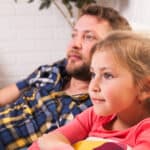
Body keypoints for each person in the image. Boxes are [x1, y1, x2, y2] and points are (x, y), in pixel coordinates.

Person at [0, 4, 131, 150]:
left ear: (114, 49)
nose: (75, 44)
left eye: (88, 37)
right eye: (74, 35)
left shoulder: (98, 107)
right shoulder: (52, 70)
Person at [29, 31, 150, 150]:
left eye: (107, 75)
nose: (93, 86)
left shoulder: (146, 131)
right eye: (93, 74)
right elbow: (47, 141)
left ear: (144, 88)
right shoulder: (94, 116)